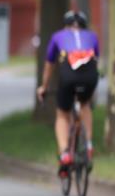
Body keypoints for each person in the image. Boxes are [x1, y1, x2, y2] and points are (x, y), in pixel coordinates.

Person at [37, 10, 99, 176]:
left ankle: (65, 153)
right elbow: (95, 60)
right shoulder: (92, 36)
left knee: (63, 114)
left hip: (69, 74)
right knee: (85, 104)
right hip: (90, 74)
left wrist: (44, 86)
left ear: (66, 25)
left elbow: (49, 64)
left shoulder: (58, 36)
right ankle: (88, 145)